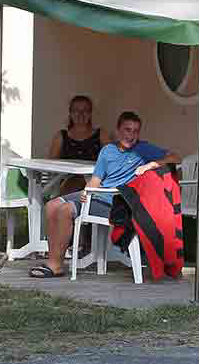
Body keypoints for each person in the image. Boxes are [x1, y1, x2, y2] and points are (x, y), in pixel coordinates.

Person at [29, 110, 181, 278]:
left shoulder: (142, 149)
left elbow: (175, 157)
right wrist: (87, 190)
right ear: (118, 130)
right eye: (127, 130)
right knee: (51, 205)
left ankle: (56, 265)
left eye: (135, 131)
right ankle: (53, 259)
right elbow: (96, 179)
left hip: (115, 200)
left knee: (65, 210)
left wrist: (151, 164)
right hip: (98, 193)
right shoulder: (108, 150)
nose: (131, 135)